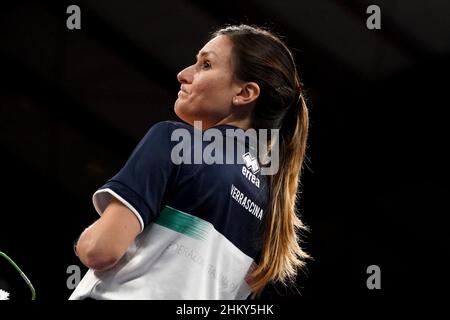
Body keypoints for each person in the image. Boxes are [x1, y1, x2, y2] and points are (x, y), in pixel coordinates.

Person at [69, 24, 310, 300]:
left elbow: (100, 250)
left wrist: (87, 239)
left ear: (245, 93)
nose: (183, 74)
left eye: (205, 64)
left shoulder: (176, 141)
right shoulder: (274, 206)